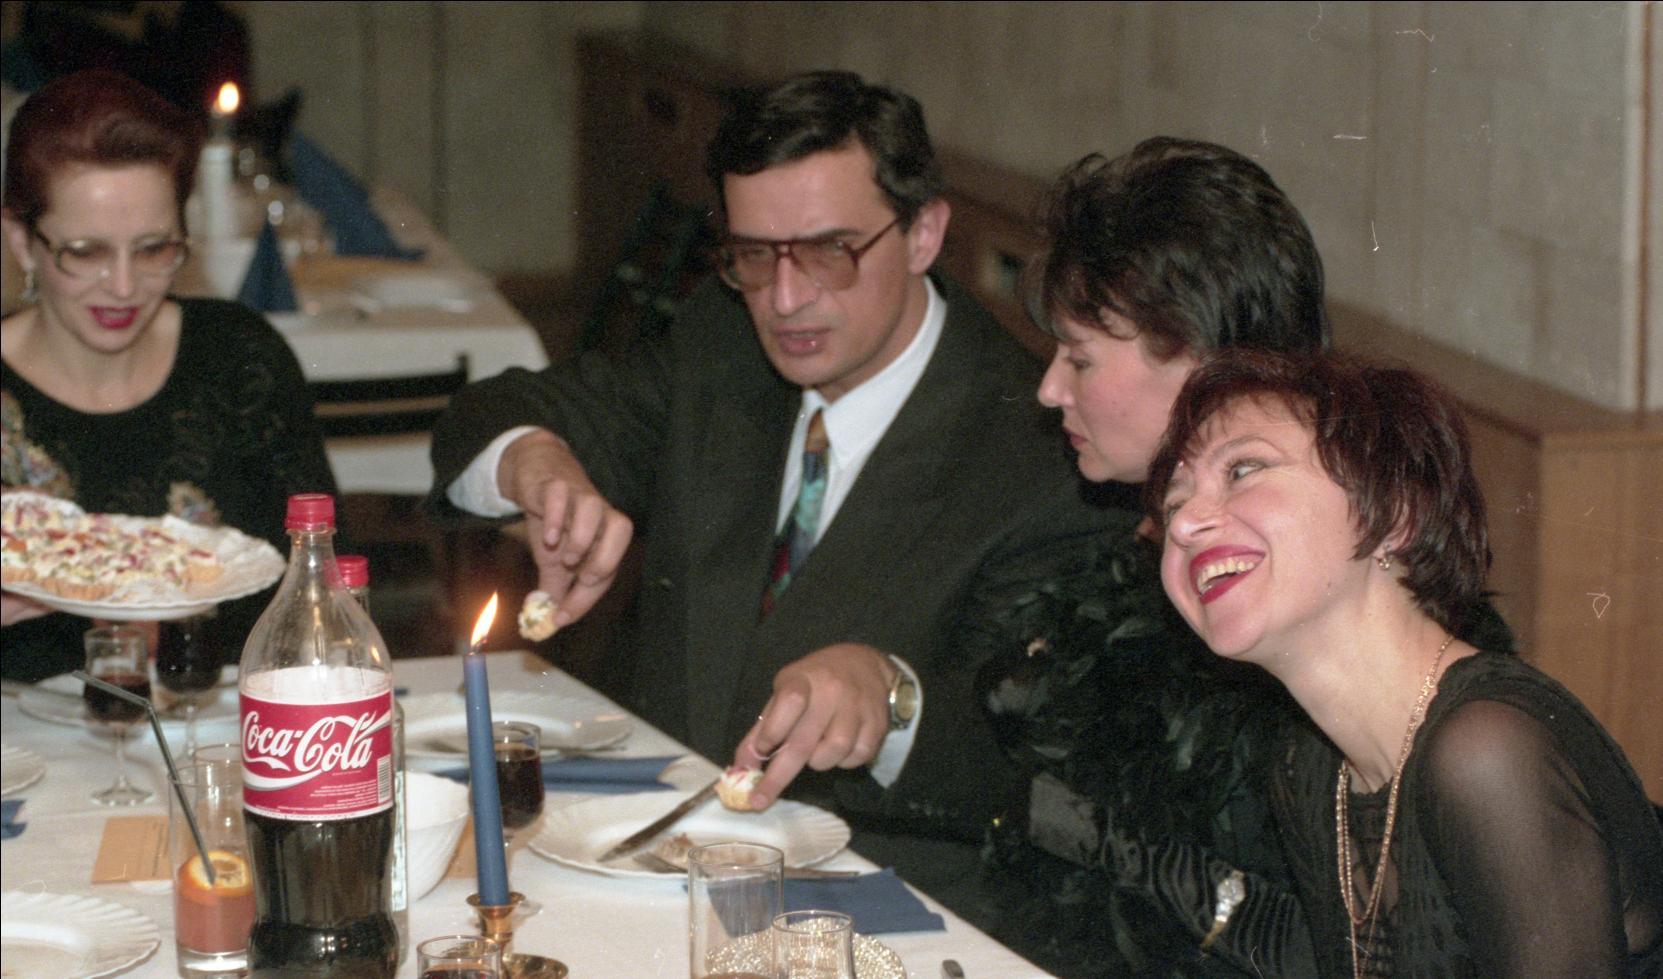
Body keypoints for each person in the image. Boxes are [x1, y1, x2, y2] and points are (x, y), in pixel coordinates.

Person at [427, 71, 1115, 894]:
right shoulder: (723, 345)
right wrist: (535, 461)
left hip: (871, 899)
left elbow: (1026, 767)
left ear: (924, 233)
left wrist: (894, 702)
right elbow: (487, 414)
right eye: (754, 255)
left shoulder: (1037, 453)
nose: (785, 299)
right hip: (640, 858)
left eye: (830, 252)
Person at [1151, 349, 1663, 976]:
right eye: (1174, 504)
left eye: (1243, 469)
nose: (1185, 524)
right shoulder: (1312, 767)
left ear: (1394, 512)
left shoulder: (1488, 755)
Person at [969, 138, 1331, 976]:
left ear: (1201, 366)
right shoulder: (1111, 524)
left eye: (1079, 359)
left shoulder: (1296, 599)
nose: (1049, 389)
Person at [1, 69, 337, 680]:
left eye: (154, 249)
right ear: (22, 242)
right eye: (86, 252)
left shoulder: (238, 358)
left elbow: (326, 588)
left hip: (225, 721)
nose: (124, 286)